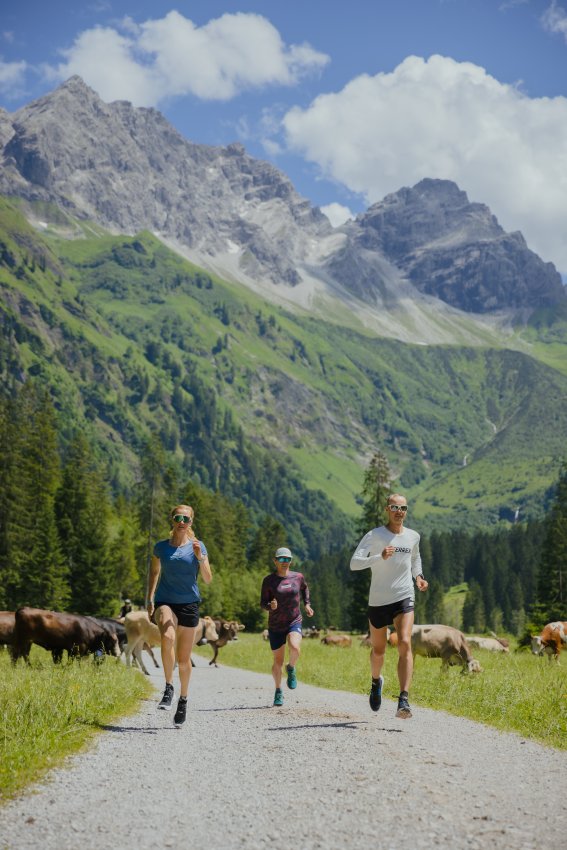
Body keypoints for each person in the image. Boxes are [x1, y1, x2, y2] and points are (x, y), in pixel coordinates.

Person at [350, 493, 428, 719]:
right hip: (378, 600)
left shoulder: (413, 536)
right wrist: (378, 556)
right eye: (394, 507)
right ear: (387, 509)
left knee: (404, 642)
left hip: (404, 596)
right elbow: (354, 563)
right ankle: (376, 682)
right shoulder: (375, 535)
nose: (398, 511)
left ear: (406, 511)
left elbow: (415, 559)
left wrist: (419, 577)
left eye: (402, 508)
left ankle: (403, 699)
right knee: (379, 650)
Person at [147, 504, 212, 727]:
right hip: (165, 601)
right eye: (178, 517)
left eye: (186, 518)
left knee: (184, 661)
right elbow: (154, 572)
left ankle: (183, 700)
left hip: (189, 604)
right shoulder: (161, 548)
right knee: (167, 637)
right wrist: (150, 598)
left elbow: (208, 578)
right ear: (172, 520)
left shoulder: (198, 546)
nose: (182, 521)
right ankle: (168, 687)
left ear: (191, 522)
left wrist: (200, 557)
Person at [260, 547, 314, 706]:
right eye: (281, 559)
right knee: (277, 660)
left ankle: (291, 668)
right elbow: (263, 603)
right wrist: (271, 606)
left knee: (295, 647)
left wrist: (308, 604)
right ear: (275, 561)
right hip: (276, 625)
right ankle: (278, 690)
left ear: (291, 561)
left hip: (294, 620)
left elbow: (305, 589)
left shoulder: (298, 577)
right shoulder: (269, 581)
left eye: (287, 559)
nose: (284, 562)